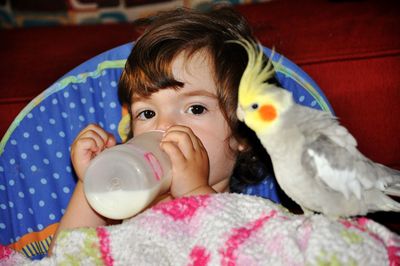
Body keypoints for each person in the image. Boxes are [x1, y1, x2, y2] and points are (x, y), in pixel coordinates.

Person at [49, 6, 280, 253]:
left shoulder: (252, 218)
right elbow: (65, 257)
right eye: (147, 113)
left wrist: (193, 192)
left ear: (243, 132)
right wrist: (92, 184)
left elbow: (248, 256)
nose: (164, 126)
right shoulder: (123, 210)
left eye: (195, 109)